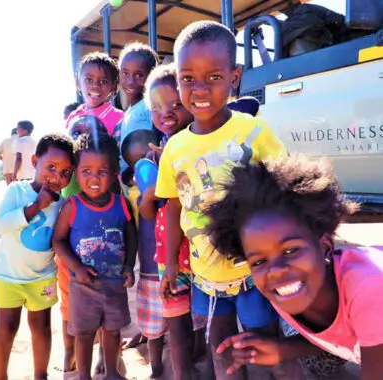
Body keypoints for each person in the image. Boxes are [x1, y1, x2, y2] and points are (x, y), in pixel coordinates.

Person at [155, 21, 301, 380]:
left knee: (267, 350)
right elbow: (173, 206)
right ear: (177, 81)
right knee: (221, 353)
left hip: (253, 272)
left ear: (234, 77)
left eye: (214, 77)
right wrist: (172, 265)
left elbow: (285, 186)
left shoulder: (252, 131)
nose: (200, 89)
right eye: (188, 79)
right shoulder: (174, 147)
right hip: (206, 277)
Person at [206, 155, 383, 379]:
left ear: (325, 246)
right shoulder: (286, 291)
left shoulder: (369, 289)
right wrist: (283, 349)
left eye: (291, 250)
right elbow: (347, 335)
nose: (276, 270)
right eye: (259, 261)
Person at [139, 63, 210, 380]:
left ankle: (210, 374)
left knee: (211, 323)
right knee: (177, 324)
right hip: (173, 258)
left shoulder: (204, 145)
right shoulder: (153, 159)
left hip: (207, 254)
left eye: (174, 104)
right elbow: (154, 210)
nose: (165, 113)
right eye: (156, 108)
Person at [53, 131, 137, 380]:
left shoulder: (121, 204)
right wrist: (76, 268)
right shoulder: (73, 206)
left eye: (102, 172)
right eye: (86, 171)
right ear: (76, 173)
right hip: (83, 286)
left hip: (114, 284)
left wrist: (129, 265)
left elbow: (130, 234)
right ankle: (84, 376)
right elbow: (58, 241)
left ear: (113, 174)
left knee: (112, 331)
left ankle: (112, 372)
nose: (93, 178)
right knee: (85, 333)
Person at [0, 133, 75, 380]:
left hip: (43, 279)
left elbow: (60, 240)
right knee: (5, 330)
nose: (57, 177)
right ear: (35, 160)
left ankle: (41, 375)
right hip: (8, 277)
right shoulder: (17, 191)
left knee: (41, 328)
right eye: (51, 167)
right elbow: (1, 225)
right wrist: (36, 206)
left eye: (66, 172)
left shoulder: (63, 204)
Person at [58, 114, 109, 374]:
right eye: (77, 135)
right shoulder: (71, 182)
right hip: (71, 258)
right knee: (69, 309)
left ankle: (104, 355)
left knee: (103, 308)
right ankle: (70, 355)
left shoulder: (105, 177)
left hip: (103, 258)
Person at [121, 129, 166, 378]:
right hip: (150, 268)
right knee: (153, 324)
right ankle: (156, 367)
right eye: (139, 161)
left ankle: (193, 354)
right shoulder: (134, 196)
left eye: (151, 155)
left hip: (179, 265)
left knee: (188, 320)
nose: (147, 163)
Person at [118, 42, 159, 174]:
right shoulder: (129, 111)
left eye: (139, 75)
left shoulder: (150, 106)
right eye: (125, 73)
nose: (130, 81)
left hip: (147, 178)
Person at [65, 51, 123, 142]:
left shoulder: (119, 118)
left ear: (113, 87)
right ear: (78, 83)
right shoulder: (73, 116)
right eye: (89, 79)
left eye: (103, 81)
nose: (95, 85)